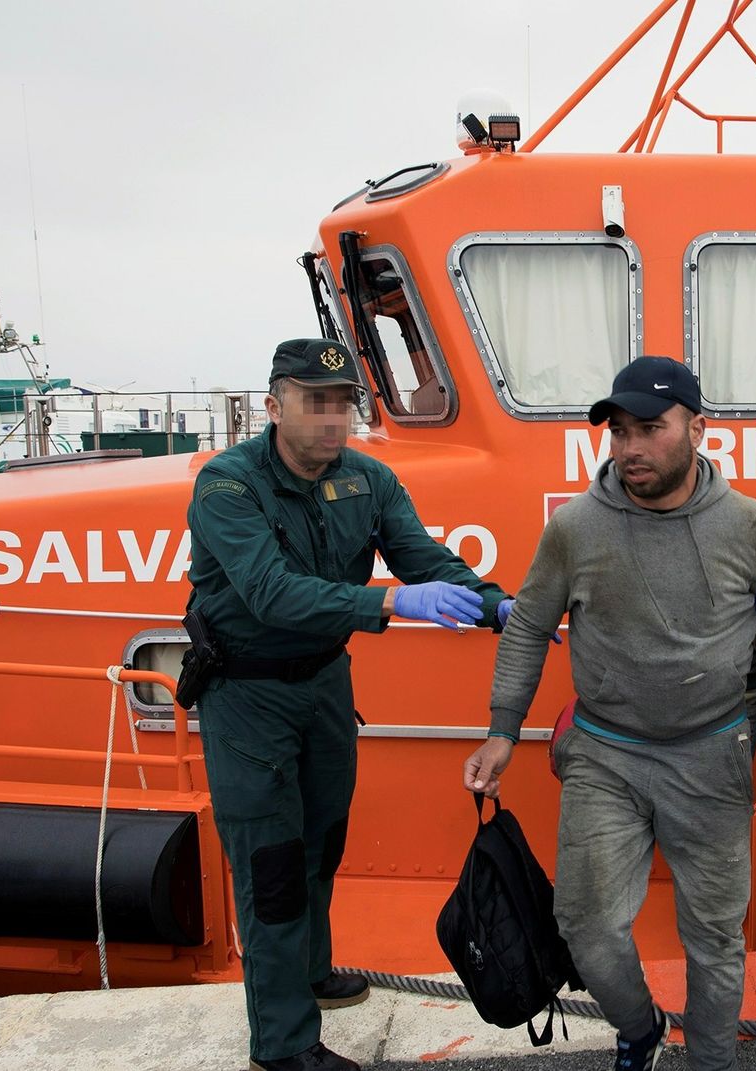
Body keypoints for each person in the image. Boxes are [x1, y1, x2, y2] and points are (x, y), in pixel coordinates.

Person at [462, 355, 756, 1071]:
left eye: (650, 429)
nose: (630, 448)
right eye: (619, 431)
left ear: (697, 428)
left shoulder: (746, 522)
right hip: (607, 752)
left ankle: (711, 1061)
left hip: (714, 752)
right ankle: (638, 1026)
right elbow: (529, 624)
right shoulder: (575, 526)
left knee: (714, 936)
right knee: (586, 925)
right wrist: (503, 728)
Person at [187, 338, 516, 1071]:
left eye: (343, 402)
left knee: (320, 840)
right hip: (248, 695)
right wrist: (395, 602)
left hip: (324, 685)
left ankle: (310, 971)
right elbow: (269, 593)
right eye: (315, 401)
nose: (333, 418)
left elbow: (423, 557)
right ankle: (283, 1042)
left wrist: (497, 606)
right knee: (270, 864)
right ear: (275, 406)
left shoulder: (368, 479)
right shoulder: (227, 486)